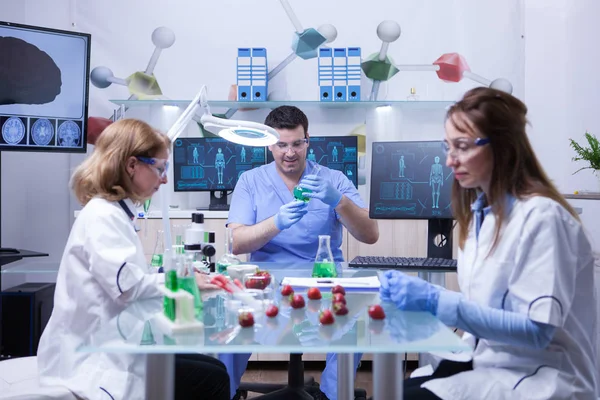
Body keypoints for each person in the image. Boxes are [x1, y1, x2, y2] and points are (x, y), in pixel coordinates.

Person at [379, 87, 598, 400]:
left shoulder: (543, 218)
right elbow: (491, 302)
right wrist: (431, 295)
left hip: (542, 377)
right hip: (493, 362)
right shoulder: (483, 214)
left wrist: (437, 303)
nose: (450, 160)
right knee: (393, 391)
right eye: (448, 146)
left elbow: (537, 331)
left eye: (463, 146)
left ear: (503, 147)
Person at [37, 119, 231, 400]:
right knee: (211, 379)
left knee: (213, 367)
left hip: (112, 341)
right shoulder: (102, 216)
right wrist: (187, 282)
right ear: (131, 165)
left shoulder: (113, 213)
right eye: (160, 168)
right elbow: (129, 289)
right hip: (93, 360)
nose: (164, 179)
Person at [221, 105, 379, 400]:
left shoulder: (333, 179)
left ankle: (334, 395)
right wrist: (276, 222)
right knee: (230, 326)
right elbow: (236, 243)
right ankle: (225, 393)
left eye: (297, 143)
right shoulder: (251, 181)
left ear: (308, 140)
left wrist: (338, 201)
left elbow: (370, 234)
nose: (289, 152)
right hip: (266, 286)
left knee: (353, 323)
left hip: (326, 284)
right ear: (269, 144)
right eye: (281, 145)